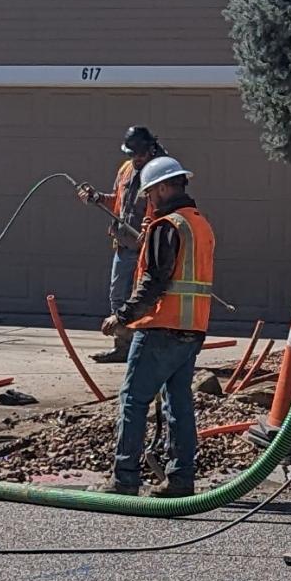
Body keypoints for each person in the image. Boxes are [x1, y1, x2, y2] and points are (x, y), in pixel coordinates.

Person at [101, 154, 211, 497]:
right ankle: (180, 479)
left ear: (164, 188)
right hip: (191, 330)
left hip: (161, 328)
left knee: (133, 401)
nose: (147, 200)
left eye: (149, 193)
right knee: (178, 404)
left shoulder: (168, 227)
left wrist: (122, 316)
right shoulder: (199, 224)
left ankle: (125, 479)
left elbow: (154, 282)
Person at [75, 123, 163, 361]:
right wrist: (98, 198)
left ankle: (142, 348)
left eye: (140, 154)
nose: (136, 158)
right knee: (118, 296)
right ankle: (123, 347)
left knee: (143, 299)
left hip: (148, 250)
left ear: (151, 149)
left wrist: (152, 230)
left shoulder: (160, 172)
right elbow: (118, 202)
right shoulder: (125, 169)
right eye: (132, 154)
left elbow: (168, 209)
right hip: (124, 247)